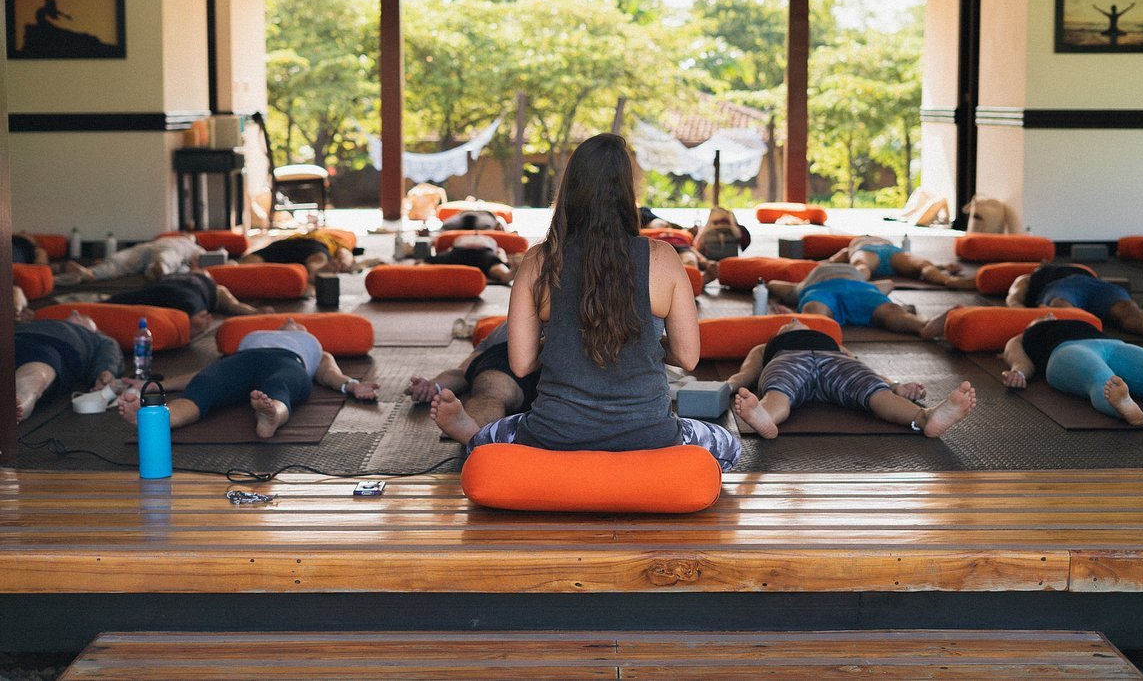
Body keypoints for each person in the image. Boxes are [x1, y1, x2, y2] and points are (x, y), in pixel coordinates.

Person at [429, 133, 742, 470]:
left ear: (570, 191)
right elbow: (688, 357)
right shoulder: (663, 259)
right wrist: (643, 342)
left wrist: (571, 340)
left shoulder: (540, 261)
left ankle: (472, 435)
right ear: (627, 192)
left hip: (554, 436)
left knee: (499, 436)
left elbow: (521, 364)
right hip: (649, 437)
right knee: (729, 445)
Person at [115, 318, 379, 438]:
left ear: (303, 330)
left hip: (287, 362)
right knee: (205, 386)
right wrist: (155, 385)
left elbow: (331, 374)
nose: (289, 319)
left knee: (280, 387)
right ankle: (156, 419)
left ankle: (271, 415)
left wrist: (354, 386)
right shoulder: (255, 337)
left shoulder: (313, 347)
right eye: (285, 320)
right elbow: (202, 374)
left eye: (297, 322)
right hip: (241, 362)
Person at [726, 319, 976, 439]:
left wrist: (895, 385)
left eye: (798, 320)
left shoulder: (834, 344)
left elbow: (862, 367)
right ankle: (765, 417)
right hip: (790, 359)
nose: (794, 320)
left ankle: (925, 417)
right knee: (779, 390)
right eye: (789, 322)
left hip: (836, 361)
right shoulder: (765, 347)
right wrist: (726, 387)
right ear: (778, 333)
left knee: (875, 391)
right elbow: (747, 374)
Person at [1001, 314, 1143, 426]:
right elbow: (1020, 361)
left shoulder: (1079, 321)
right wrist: (1018, 374)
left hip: (1113, 345)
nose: (1047, 313)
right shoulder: (1022, 337)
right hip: (1064, 351)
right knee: (1102, 378)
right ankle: (1123, 406)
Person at [1006, 262, 1143, 342]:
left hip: (1096, 285)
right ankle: (1086, 335)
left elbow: (1013, 300)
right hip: (1061, 287)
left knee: (1126, 306)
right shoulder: (1030, 277)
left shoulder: (1052, 271)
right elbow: (1013, 298)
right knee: (1061, 303)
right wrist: (1023, 316)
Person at [408, 322, 539, 426]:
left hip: (554, 388)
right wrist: (433, 385)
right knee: (492, 388)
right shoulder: (505, 331)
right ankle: (475, 434)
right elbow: (464, 372)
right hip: (508, 376)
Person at [767, 262, 935, 337]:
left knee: (889, 310)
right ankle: (814, 335)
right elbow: (889, 284)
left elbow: (774, 284)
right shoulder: (802, 285)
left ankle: (924, 327)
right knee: (814, 309)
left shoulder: (803, 283)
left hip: (860, 288)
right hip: (821, 289)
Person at [15, 310, 123, 423]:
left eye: (84, 317)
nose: (75, 313)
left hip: (50, 347)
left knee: (34, 376)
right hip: (13, 339)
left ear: (95, 329)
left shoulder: (98, 338)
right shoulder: (35, 323)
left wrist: (105, 371)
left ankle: (18, 404)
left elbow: (110, 355)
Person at [104, 271, 273, 338]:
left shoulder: (214, 288)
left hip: (179, 291)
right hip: (167, 289)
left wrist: (255, 312)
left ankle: (191, 324)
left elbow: (233, 306)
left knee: (195, 307)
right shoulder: (205, 282)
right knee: (130, 298)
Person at [828, 235, 976, 290]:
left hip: (869, 251)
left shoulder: (855, 243)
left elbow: (834, 260)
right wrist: (942, 266)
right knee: (924, 265)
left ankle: (857, 284)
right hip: (892, 252)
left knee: (861, 266)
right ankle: (948, 280)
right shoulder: (883, 240)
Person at [63, 234, 203, 283]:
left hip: (169, 251)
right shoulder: (169, 237)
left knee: (165, 259)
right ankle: (91, 273)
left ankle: (159, 271)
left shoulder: (194, 247)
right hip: (147, 247)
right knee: (121, 260)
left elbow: (199, 260)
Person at [240, 228, 355, 281]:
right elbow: (344, 254)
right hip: (314, 245)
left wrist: (345, 261)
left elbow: (345, 254)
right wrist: (345, 263)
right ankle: (315, 271)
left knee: (259, 257)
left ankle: (237, 269)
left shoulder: (306, 233)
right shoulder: (337, 239)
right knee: (318, 258)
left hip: (287, 243)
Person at [423, 233, 516, 283]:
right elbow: (449, 250)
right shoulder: (461, 238)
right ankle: (421, 272)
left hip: (483, 252)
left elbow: (500, 251)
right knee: (429, 261)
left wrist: (503, 261)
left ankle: (506, 275)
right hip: (460, 251)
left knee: (494, 264)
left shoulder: (489, 240)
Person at [439, 209, 505, 232]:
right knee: (486, 227)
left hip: (462, 215)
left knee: (446, 227)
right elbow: (500, 225)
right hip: (487, 216)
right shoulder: (491, 217)